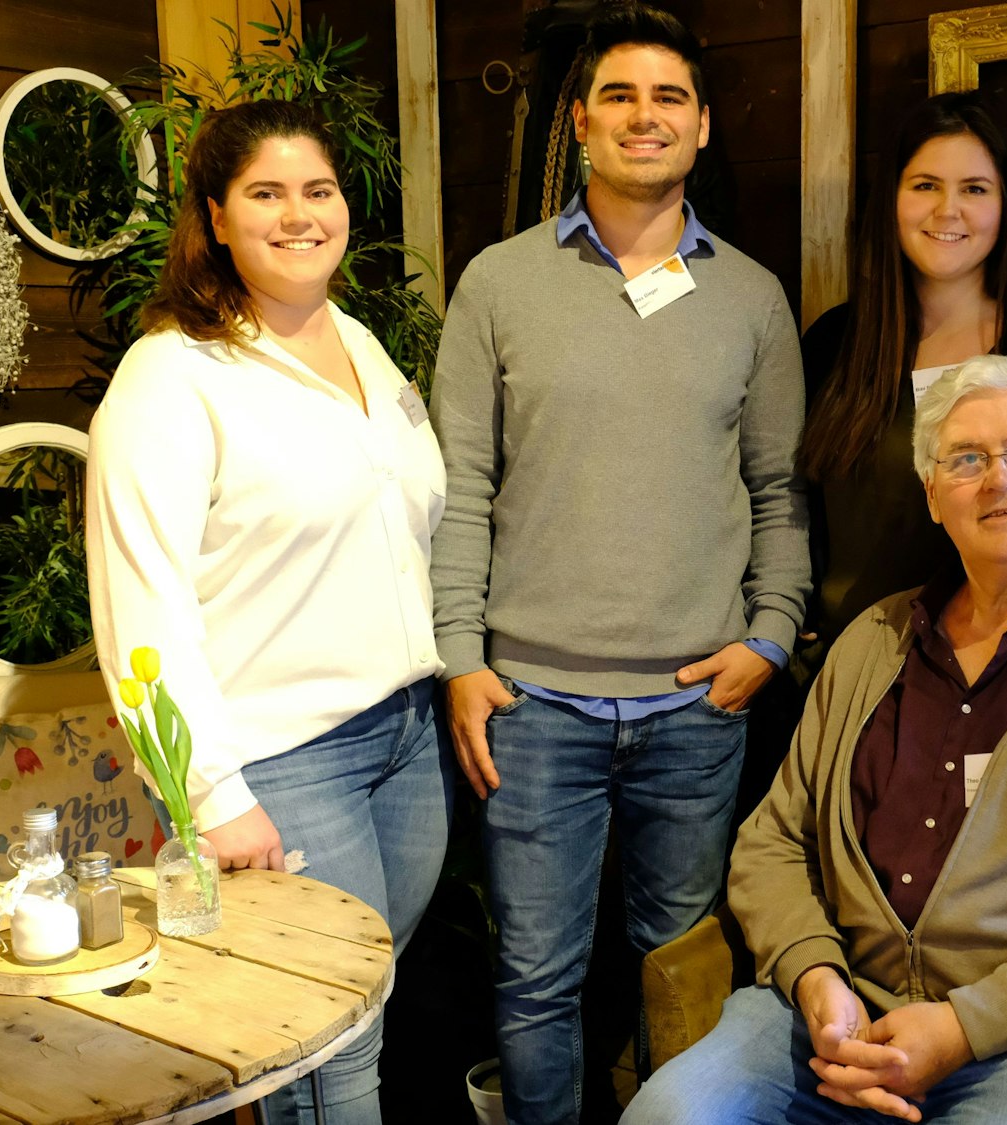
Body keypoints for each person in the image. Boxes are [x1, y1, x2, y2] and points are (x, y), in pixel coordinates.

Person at [623, 356, 1007, 1125]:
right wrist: (816, 977)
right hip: (826, 1020)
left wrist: (966, 1025)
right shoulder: (871, 641)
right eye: (966, 459)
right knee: (666, 1115)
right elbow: (773, 842)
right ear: (932, 495)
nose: (1000, 477)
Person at [427, 5, 811, 1122]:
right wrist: (460, 657)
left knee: (677, 966)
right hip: (529, 708)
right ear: (582, 122)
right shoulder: (498, 284)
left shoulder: (749, 297)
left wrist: (770, 638)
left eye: (669, 99)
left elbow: (780, 492)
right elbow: (462, 491)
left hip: (697, 706)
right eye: (621, 96)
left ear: (699, 128)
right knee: (536, 979)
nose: (646, 117)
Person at [85, 101, 450, 1125]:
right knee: (328, 1061)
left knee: (353, 1016)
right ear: (215, 215)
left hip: (402, 736)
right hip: (282, 762)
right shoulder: (172, 377)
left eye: (318, 190)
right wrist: (208, 795)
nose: (299, 215)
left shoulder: (363, 346)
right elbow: (138, 606)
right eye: (266, 194)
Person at [797, 92, 1007, 650]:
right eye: (925, 185)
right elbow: (793, 501)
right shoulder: (834, 343)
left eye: (974, 189)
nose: (947, 210)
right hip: (845, 664)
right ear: (892, 200)